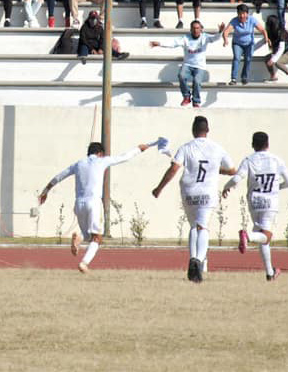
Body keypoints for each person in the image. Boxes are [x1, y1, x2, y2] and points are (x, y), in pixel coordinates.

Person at [39, 140, 151, 273]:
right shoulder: (102, 161)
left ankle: (79, 238)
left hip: (78, 203)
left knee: (89, 236)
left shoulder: (78, 164)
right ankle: (84, 263)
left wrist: (45, 192)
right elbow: (124, 157)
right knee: (97, 237)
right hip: (93, 202)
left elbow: (59, 176)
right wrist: (139, 149)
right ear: (100, 153)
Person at [151, 116, 235, 283]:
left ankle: (193, 259)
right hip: (208, 193)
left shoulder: (186, 147)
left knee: (193, 227)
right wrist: (216, 171)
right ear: (208, 130)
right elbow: (232, 169)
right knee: (202, 227)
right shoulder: (217, 148)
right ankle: (198, 260)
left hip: (189, 191)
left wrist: (159, 188)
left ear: (193, 130)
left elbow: (174, 168)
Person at [222, 131, 288, 281]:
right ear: (268, 144)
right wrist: (277, 187)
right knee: (266, 237)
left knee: (262, 237)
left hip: (254, 201)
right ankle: (247, 236)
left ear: (253, 145)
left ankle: (270, 272)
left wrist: (226, 187)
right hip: (270, 202)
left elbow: (236, 179)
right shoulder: (276, 160)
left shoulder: (249, 160)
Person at [150, 20, 224, 107]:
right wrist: (159, 44)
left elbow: (215, 38)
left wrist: (220, 31)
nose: (195, 30)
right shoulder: (185, 38)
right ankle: (186, 97)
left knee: (196, 81)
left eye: (197, 28)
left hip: (200, 66)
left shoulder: (205, 37)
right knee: (181, 75)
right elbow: (173, 43)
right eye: (193, 28)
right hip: (188, 64)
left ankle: (196, 101)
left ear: (201, 29)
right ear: (190, 30)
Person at [221, 3, 268, 85]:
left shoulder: (252, 20)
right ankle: (233, 78)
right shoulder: (234, 21)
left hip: (249, 43)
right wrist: (225, 40)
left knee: (248, 59)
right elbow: (226, 31)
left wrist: (266, 38)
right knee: (236, 58)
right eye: (240, 14)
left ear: (247, 13)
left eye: (243, 14)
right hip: (237, 43)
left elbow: (262, 30)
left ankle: (244, 77)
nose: (242, 16)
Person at [263, 15, 288, 84]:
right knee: (267, 58)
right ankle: (273, 76)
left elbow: (281, 48)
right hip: (281, 52)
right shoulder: (270, 32)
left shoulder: (282, 32)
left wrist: (273, 59)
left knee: (278, 62)